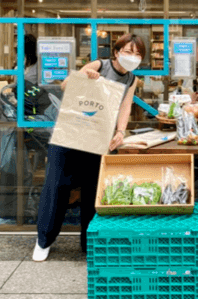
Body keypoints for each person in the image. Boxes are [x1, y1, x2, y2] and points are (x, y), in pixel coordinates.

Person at [33, 33, 145, 262]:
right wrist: (86, 76)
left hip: (97, 140)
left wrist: (121, 131)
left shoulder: (131, 79)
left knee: (93, 192)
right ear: (116, 52)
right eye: (128, 51)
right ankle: (43, 241)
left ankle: (89, 242)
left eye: (137, 54)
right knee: (57, 187)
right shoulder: (99, 64)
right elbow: (65, 86)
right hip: (69, 136)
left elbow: (125, 107)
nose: (132, 57)